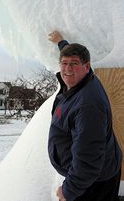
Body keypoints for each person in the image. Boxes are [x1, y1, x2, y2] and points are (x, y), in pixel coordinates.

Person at [48, 30, 122, 201]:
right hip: (94, 174)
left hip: (92, 182)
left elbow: (87, 159)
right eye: (64, 63)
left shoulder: (87, 106)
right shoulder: (85, 79)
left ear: (87, 67)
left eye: (74, 64)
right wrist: (61, 42)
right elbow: (70, 54)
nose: (67, 69)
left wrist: (69, 191)